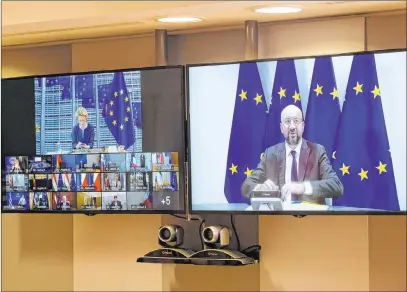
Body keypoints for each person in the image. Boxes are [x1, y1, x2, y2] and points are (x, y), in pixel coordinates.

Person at [241, 105, 343, 205]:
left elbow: (336, 186)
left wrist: (303, 187)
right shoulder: (270, 154)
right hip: (280, 219)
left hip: (310, 219)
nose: (292, 127)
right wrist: (260, 188)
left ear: (302, 126)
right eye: (287, 121)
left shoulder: (317, 151)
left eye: (296, 121)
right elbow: (246, 186)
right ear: (281, 128)